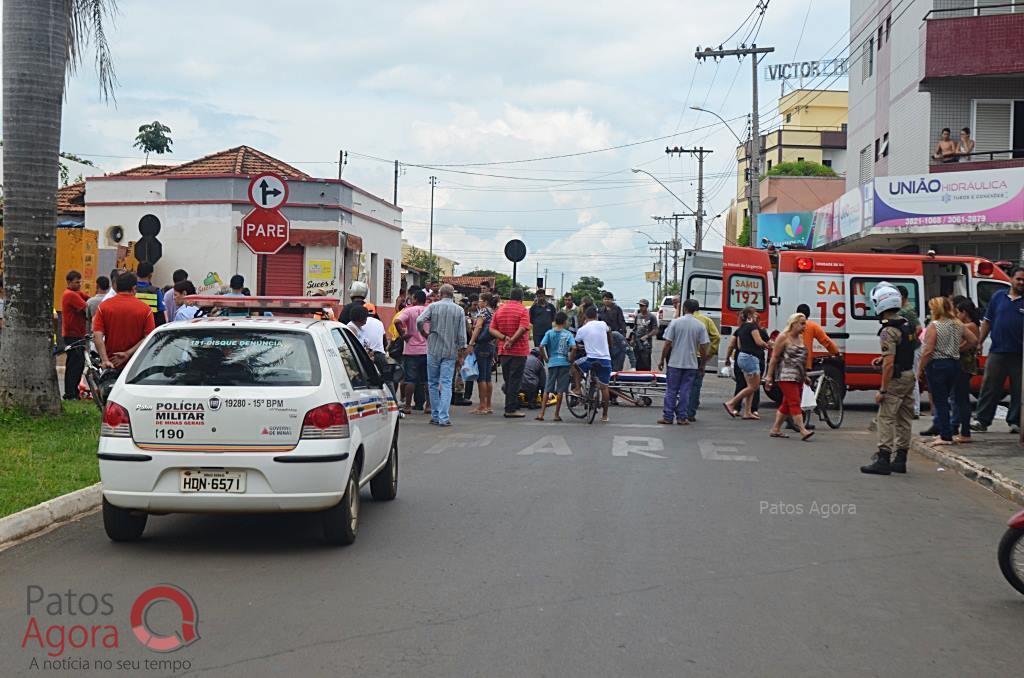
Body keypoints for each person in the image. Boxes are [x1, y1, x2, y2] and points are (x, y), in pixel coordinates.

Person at [861, 283, 916, 475]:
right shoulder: (906, 323)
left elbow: (890, 364)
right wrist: (883, 359)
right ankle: (901, 459)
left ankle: (883, 458)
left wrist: (882, 390)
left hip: (896, 379)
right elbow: (904, 351)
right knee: (904, 419)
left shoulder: (887, 331)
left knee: (885, 418)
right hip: (909, 375)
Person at [972, 266, 1024, 434]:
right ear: (1011, 279)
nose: (1021, 282)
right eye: (1019, 279)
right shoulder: (998, 297)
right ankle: (981, 420)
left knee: (1018, 389)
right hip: (997, 351)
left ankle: (1015, 422)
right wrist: (979, 342)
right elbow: (987, 321)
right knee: (989, 386)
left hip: (1020, 354)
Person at [917, 297, 974, 445]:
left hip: (937, 365)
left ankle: (945, 435)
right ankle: (949, 432)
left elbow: (928, 350)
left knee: (940, 401)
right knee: (951, 398)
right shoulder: (957, 324)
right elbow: (973, 340)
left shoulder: (934, 326)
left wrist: (920, 368)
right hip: (954, 364)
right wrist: (957, 349)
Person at [416, 284, 467, 427]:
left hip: (433, 348)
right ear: (452, 295)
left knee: (432, 382)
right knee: (445, 383)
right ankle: (444, 417)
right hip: (450, 351)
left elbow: (420, 320)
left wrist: (424, 333)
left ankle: (435, 415)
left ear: (440, 294)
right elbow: (462, 335)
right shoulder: (459, 310)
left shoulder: (433, 307)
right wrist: (461, 353)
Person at [658, 299, 709, 426]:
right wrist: (702, 364)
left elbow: (667, 344)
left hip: (675, 362)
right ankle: (682, 417)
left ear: (684, 308)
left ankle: (668, 416)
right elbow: (703, 347)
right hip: (691, 363)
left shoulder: (675, 323)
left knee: (671, 390)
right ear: (696, 309)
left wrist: (662, 360)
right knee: (685, 391)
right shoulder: (700, 326)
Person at [765, 313, 814, 441]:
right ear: (793, 324)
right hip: (786, 375)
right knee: (794, 401)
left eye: (805, 323)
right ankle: (802, 429)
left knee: (787, 403)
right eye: (802, 323)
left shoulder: (801, 338)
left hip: (798, 376)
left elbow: (801, 360)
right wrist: (769, 376)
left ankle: (775, 429)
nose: (804, 326)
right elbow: (774, 357)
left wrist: (805, 376)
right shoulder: (783, 337)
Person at [92, 272, 156, 371]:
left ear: (116, 287)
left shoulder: (104, 306)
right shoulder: (145, 309)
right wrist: (128, 353)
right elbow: (149, 337)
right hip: (135, 366)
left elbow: (97, 335)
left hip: (111, 364)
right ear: (134, 288)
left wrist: (105, 360)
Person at [491, 288, 531, 418]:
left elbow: (491, 329)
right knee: (515, 380)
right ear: (521, 298)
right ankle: (511, 409)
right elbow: (523, 327)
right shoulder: (523, 310)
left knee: (508, 379)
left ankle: (510, 404)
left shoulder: (500, 310)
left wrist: (504, 338)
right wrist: (512, 340)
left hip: (503, 351)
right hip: (518, 350)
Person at [724, 306, 769, 419]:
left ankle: (747, 412)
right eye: (754, 314)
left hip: (742, 356)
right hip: (751, 357)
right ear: (750, 315)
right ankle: (731, 403)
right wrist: (768, 345)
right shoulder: (753, 327)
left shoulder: (742, 327)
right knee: (754, 386)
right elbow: (759, 342)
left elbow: (737, 345)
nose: (757, 316)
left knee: (749, 385)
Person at [574, 306, 613, 422]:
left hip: (591, 359)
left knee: (575, 366)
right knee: (604, 388)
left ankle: (577, 389)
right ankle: (605, 415)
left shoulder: (582, 329)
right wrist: (610, 346)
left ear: (585, 316)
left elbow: (575, 342)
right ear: (597, 316)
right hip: (605, 359)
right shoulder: (602, 324)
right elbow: (609, 332)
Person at [537, 311, 577, 422]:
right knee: (560, 390)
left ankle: (541, 413)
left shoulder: (549, 333)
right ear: (564, 322)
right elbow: (574, 347)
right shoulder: (568, 334)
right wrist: (570, 358)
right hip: (564, 363)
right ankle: (556, 414)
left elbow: (541, 346)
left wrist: (545, 358)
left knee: (547, 389)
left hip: (552, 362)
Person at [395, 290, 429, 415]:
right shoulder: (429, 310)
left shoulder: (409, 310)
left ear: (414, 298)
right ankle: (429, 406)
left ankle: (408, 406)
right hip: (426, 349)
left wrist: (403, 335)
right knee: (427, 379)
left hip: (411, 350)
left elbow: (397, 321)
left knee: (410, 379)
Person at [953, 299, 982, 444]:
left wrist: (954, 350)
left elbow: (968, 343)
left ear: (964, 313)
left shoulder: (968, 326)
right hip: (966, 365)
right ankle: (961, 429)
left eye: (958, 312)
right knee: (959, 398)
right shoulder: (973, 325)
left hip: (964, 365)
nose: (956, 315)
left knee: (961, 399)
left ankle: (965, 432)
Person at [688, 302, 721, 422]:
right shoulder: (706, 320)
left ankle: (682, 410)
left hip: (685, 357)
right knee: (696, 385)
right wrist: (710, 353)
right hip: (699, 357)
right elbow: (716, 337)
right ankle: (691, 411)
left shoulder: (680, 320)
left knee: (684, 385)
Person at [60, 270, 91, 400]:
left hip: (78, 333)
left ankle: (73, 391)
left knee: (77, 363)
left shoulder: (76, 293)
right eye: (76, 282)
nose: (79, 284)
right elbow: (87, 308)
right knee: (75, 364)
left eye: (80, 282)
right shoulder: (69, 295)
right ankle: (70, 393)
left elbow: (89, 299)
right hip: (72, 334)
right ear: (69, 282)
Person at [468, 293, 495, 415]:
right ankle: (488, 404)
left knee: (481, 378)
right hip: (491, 345)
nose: (479, 302)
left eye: (480, 300)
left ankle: (482, 405)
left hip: (482, 345)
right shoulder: (493, 312)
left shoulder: (483, 312)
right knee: (488, 377)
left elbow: (478, 327)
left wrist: (471, 343)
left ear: (485, 301)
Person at [631, 299, 657, 371]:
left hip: (646, 344)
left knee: (646, 362)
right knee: (636, 361)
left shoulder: (652, 317)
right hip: (637, 342)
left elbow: (655, 330)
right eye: (640, 306)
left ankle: (646, 377)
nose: (641, 307)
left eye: (642, 306)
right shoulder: (638, 316)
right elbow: (634, 328)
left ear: (647, 306)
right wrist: (632, 339)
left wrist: (647, 336)